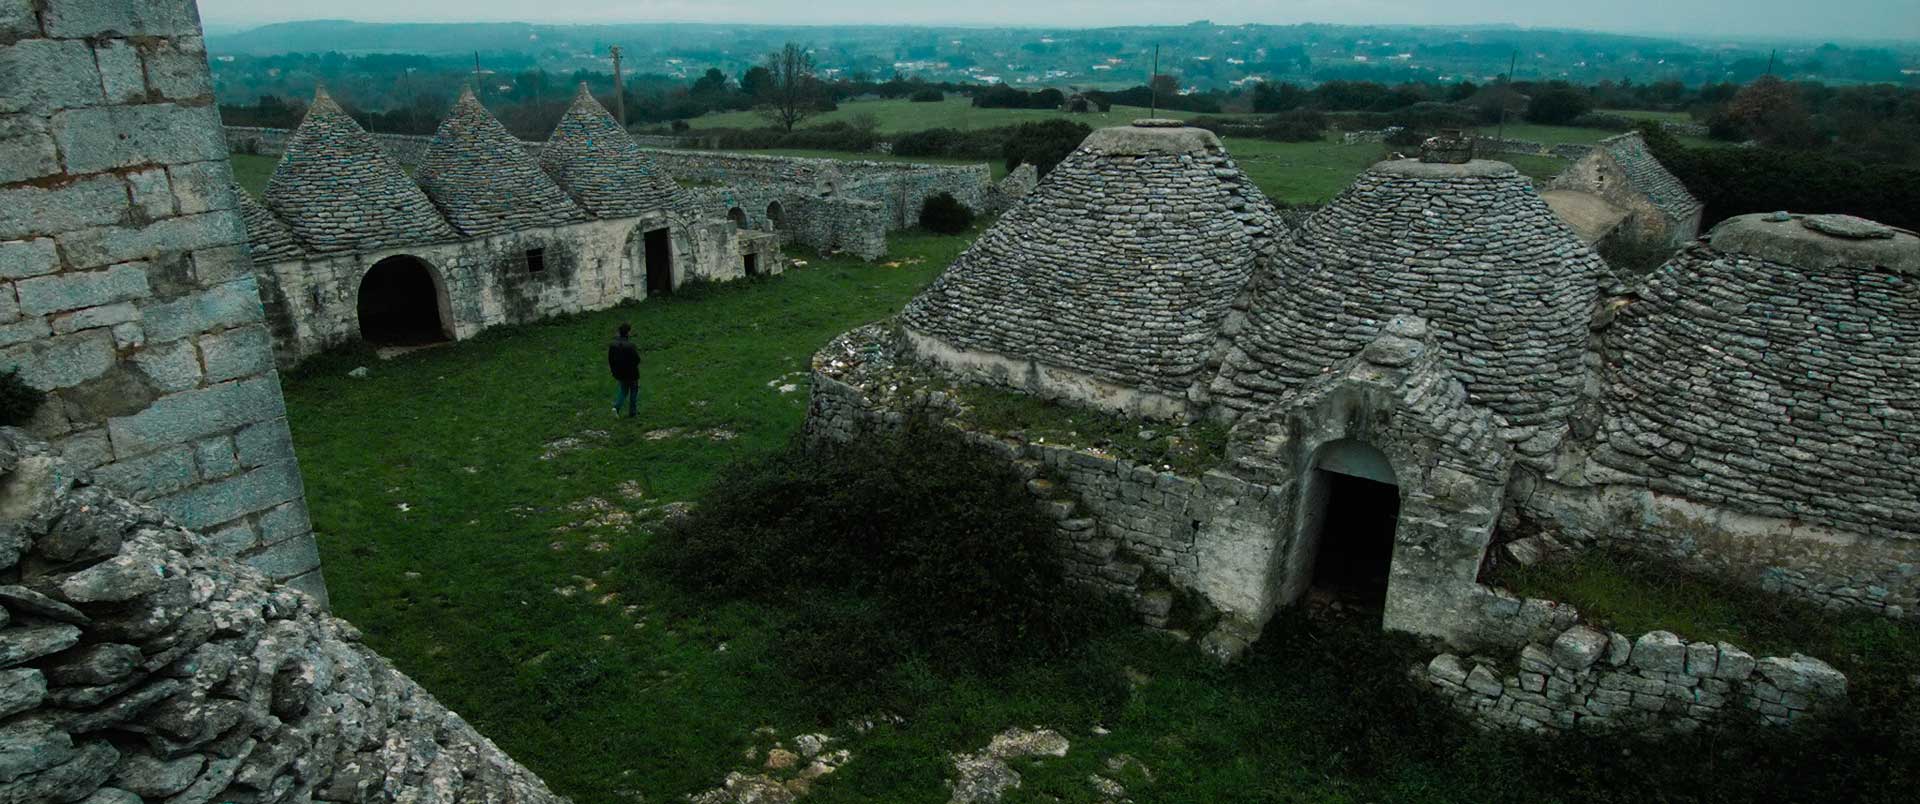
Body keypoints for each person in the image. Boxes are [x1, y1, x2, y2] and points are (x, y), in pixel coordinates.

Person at [608, 323, 641, 418]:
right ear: (628, 333)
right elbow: (637, 359)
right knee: (634, 391)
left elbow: (610, 359)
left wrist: (614, 370)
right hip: (632, 373)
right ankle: (633, 412)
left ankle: (616, 407)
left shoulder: (613, 345)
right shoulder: (630, 346)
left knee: (623, 390)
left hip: (619, 372)